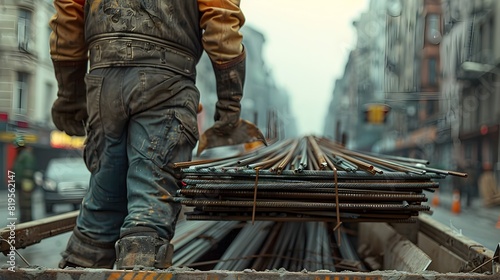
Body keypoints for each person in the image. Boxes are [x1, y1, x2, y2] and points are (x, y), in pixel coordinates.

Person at [49, 0, 248, 269]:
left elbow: (69, 13)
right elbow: (221, 18)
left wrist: (69, 93)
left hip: (103, 80)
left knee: (103, 202)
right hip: (167, 81)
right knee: (149, 210)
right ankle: (139, 268)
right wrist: (229, 103)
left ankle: (80, 267)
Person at [12, 136, 36, 223]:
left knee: (26, 202)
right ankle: (24, 218)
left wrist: (22, 181)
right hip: (21, 183)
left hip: (25, 183)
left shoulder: (26, 155)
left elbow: (28, 170)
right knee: (22, 201)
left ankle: (27, 220)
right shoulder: (22, 155)